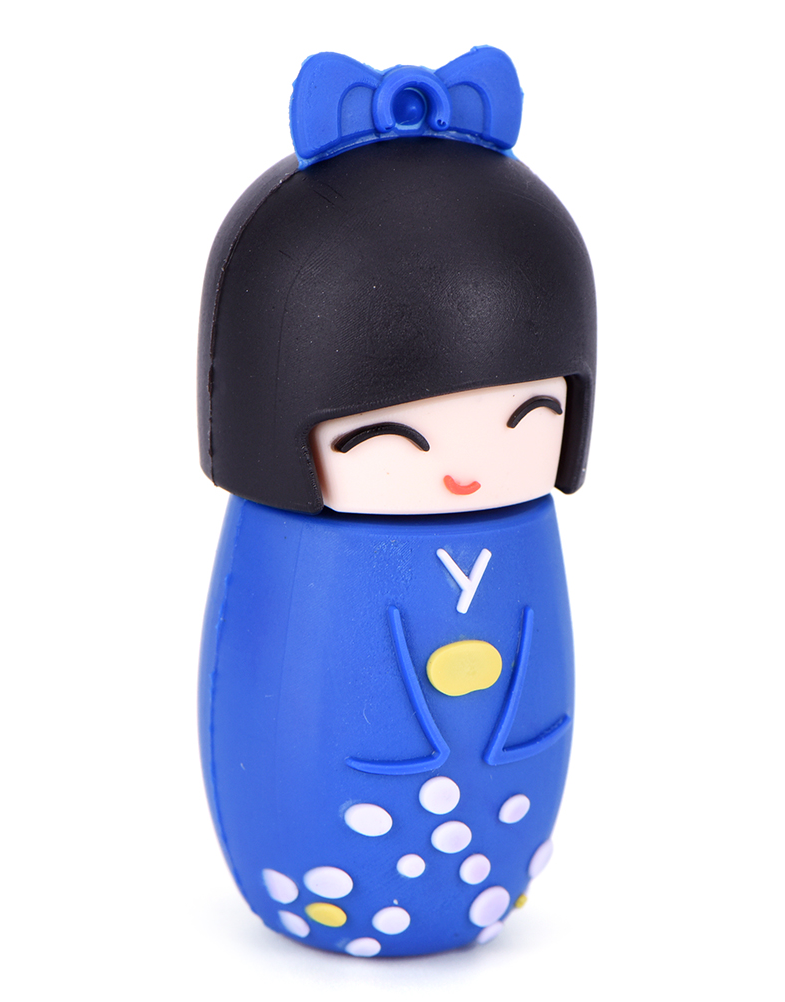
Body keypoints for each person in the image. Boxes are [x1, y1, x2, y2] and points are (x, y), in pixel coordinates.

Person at [197, 48, 596, 956]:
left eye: (525, 419)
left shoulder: (523, 524)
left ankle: (475, 896)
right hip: (325, 806)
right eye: (391, 439)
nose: (462, 474)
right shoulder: (297, 537)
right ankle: (324, 896)